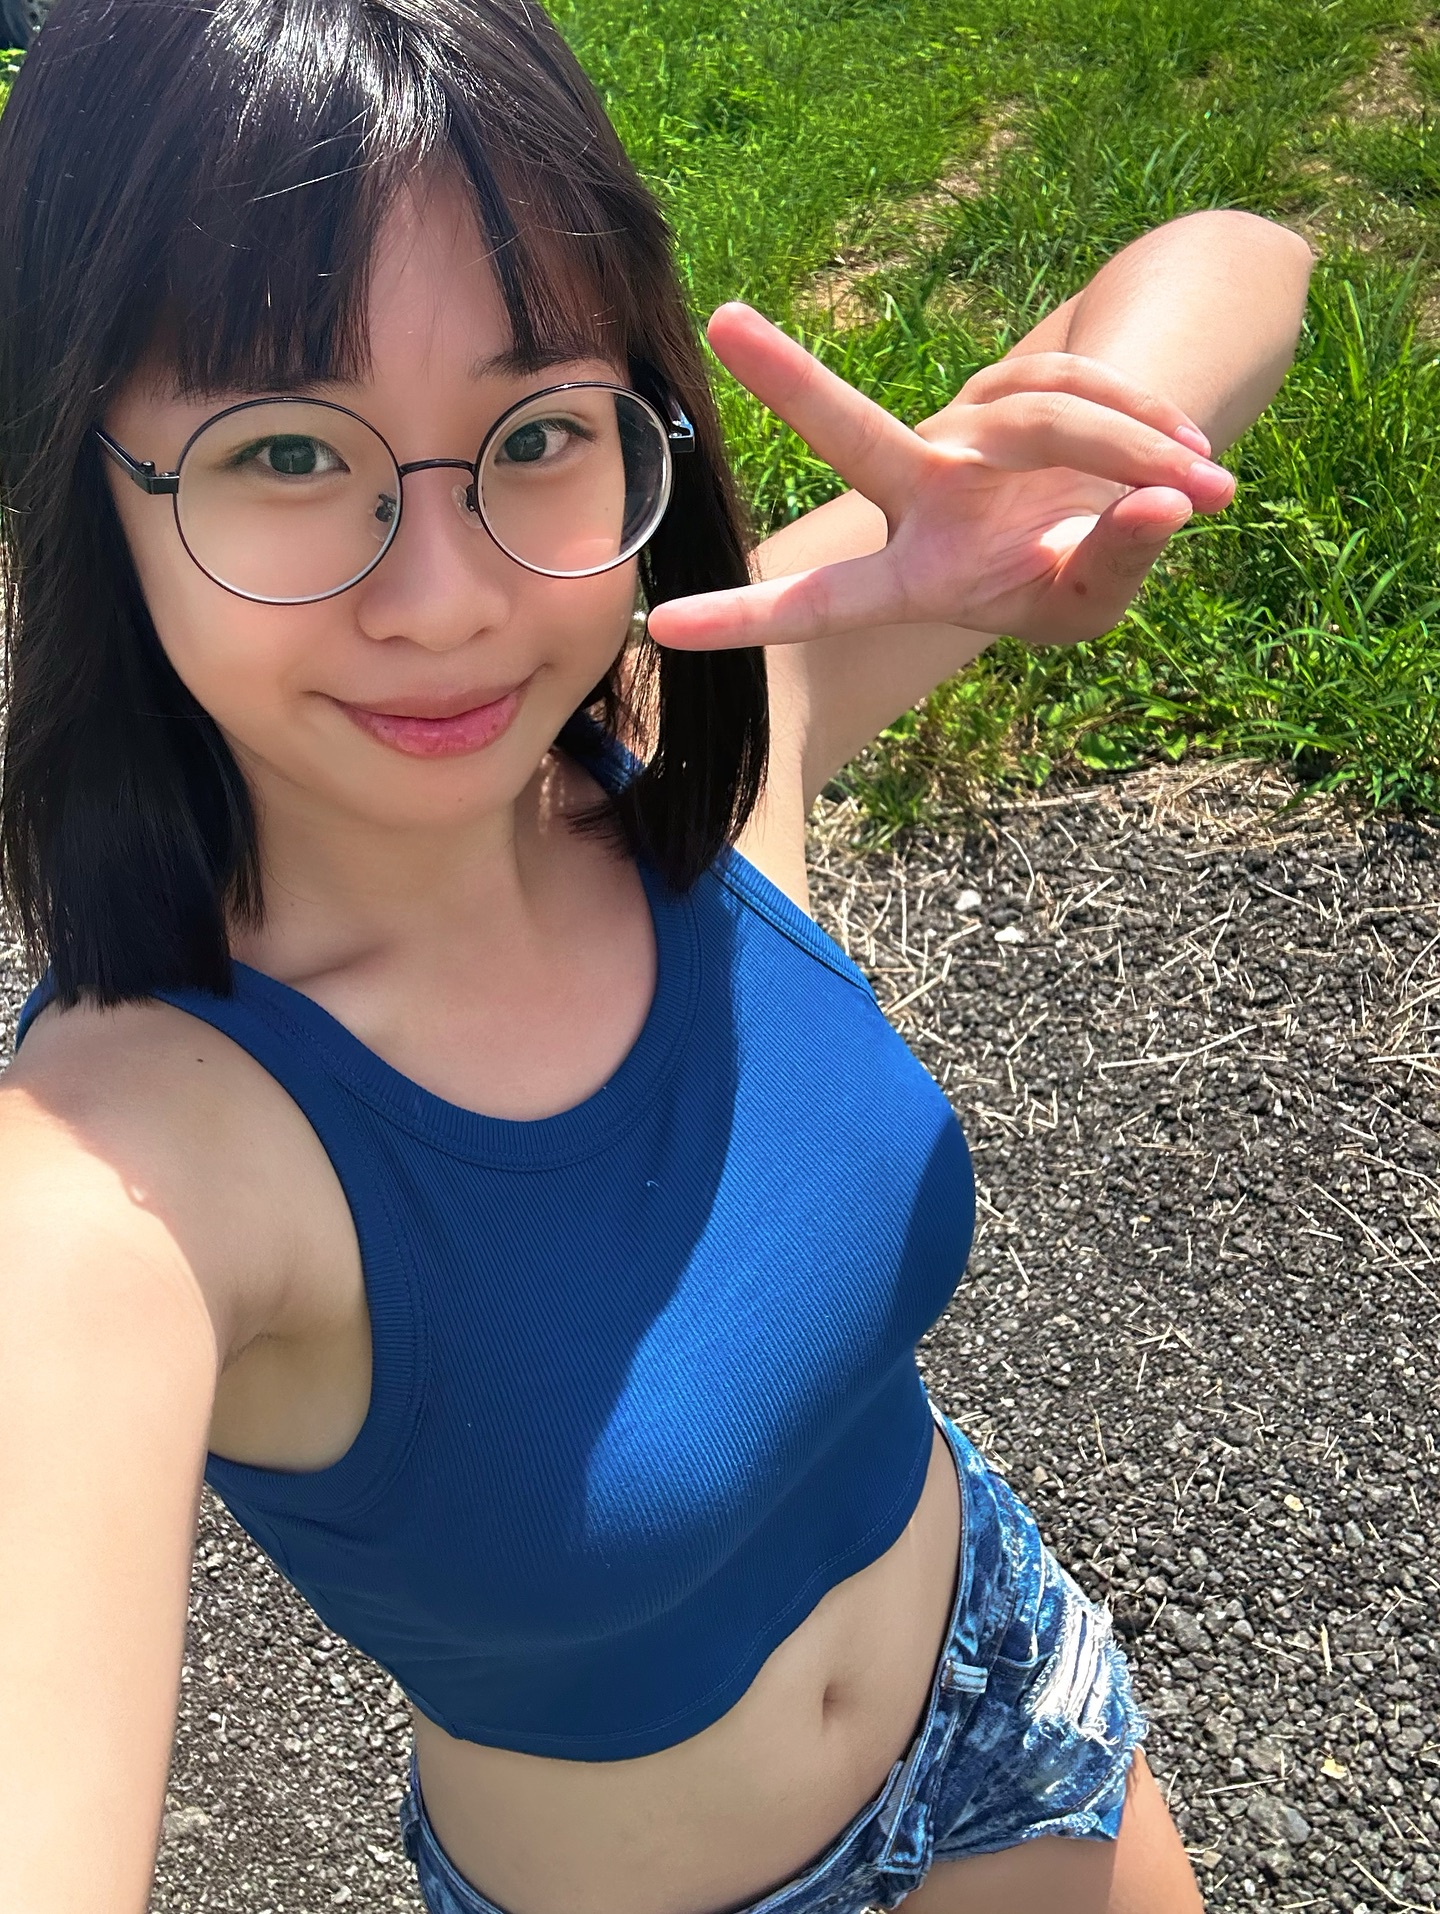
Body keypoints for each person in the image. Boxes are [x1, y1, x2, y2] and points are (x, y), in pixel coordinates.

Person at [0, 2, 1313, 1912]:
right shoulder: (120, 1170)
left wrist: (1044, 458)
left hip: (1014, 1700)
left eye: (535, 431)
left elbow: (1248, 258)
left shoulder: (679, 729)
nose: (447, 601)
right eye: (283, 449)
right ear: (85, 478)